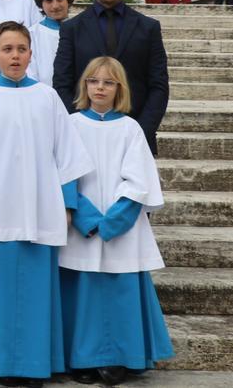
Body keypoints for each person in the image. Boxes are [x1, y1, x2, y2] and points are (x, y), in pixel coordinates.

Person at [0, 22, 93, 386]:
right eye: (8, 49)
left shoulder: (46, 97)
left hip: (42, 205)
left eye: (22, 49)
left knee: (36, 288)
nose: (15, 56)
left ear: (31, 54)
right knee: (0, 289)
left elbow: (68, 155)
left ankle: (34, 362)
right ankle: (1, 361)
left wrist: (68, 202)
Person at [61, 57, 174, 384]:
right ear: (85, 85)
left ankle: (119, 359)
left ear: (119, 89)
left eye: (108, 82)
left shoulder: (130, 128)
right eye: (94, 81)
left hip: (121, 226)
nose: (100, 87)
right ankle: (80, 358)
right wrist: (87, 218)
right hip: (81, 224)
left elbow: (139, 181)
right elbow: (65, 174)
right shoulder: (70, 125)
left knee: (119, 292)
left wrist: (113, 221)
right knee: (82, 292)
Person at [53, 0, 169, 154]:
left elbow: (158, 86)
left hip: (135, 140)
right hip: (82, 141)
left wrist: (138, 132)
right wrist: (79, 127)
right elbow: (62, 83)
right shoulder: (71, 29)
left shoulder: (149, 28)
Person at [27, 0, 75, 87]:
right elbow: (30, 72)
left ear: (68, 0)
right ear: (41, 4)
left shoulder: (79, 30)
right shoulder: (31, 35)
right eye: (49, 0)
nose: (55, 6)